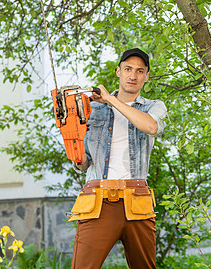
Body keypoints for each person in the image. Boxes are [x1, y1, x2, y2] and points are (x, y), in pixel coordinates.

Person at [70, 48, 167, 269]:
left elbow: (151, 127)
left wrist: (111, 101)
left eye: (140, 71)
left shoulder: (153, 107)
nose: (133, 76)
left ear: (146, 76)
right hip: (98, 199)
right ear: (118, 72)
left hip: (137, 200)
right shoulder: (92, 109)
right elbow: (84, 163)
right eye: (128, 69)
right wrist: (74, 148)